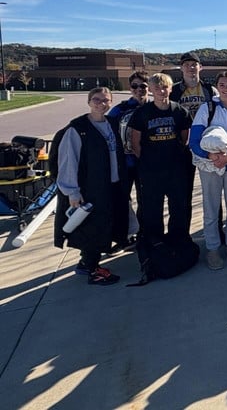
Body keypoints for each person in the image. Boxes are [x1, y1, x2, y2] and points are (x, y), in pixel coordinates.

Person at [55, 87, 128, 285]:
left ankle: (86, 263)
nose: (101, 103)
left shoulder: (113, 124)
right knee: (92, 229)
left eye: (105, 100)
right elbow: (68, 162)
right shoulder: (77, 129)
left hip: (112, 184)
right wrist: (72, 191)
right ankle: (92, 269)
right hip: (90, 188)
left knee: (105, 225)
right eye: (96, 100)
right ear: (89, 102)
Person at [189, 71, 227, 269]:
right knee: (211, 208)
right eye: (222, 84)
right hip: (210, 165)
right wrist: (211, 156)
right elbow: (194, 139)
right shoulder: (206, 109)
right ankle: (213, 248)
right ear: (217, 87)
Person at [130, 73, 194, 247]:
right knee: (152, 208)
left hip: (175, 169)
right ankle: (155, 242)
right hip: (151, 170)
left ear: (171, 88)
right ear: (150, 90)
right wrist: (147, 162)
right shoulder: (142, 113)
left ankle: (178, 239)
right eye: (156, 88)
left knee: (178, 207)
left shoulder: (180, 111)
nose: (161, 91)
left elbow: (184, 138)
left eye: (165, 87)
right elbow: (135, 143)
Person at [170, 51, 218, 230]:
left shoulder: (208, 89)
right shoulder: (174, 90)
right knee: (183, 193)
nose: (191, 68)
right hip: (182, 146)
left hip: (206, 143)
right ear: (181, 68)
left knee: (211, 193)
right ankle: (181, 234)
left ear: (200, 67)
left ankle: (214, 231)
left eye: (194, 64)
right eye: (187, 65)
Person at [106, 70, 149, 245]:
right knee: (123, 199)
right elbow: (108, 134)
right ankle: (124, 236)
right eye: (135, 86)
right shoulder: (120, 110)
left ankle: (143, 233)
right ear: (130, 88)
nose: (139, 89)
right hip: (124, 162)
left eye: (143, 86)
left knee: (145, 200)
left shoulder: (154, 108)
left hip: (146, 162)